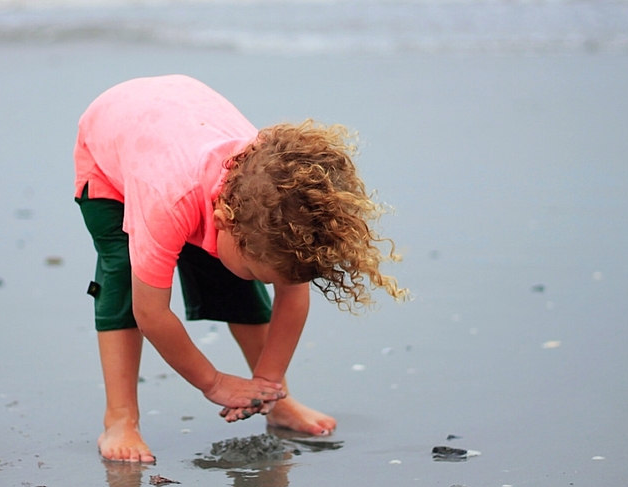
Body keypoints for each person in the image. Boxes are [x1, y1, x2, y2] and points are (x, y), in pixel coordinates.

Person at [75, 75, 404, 463]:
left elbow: (290, 295)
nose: (263, 281)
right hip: (109, 151)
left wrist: (267, 383)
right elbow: (151, 313)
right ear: (223, 220)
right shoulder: (167, 201)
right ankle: (120, 418)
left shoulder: (270, 200)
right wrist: (212, 382)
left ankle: (281, 405)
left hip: (182, 119)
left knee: (238, 281)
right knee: (123, 277)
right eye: (257, 271)